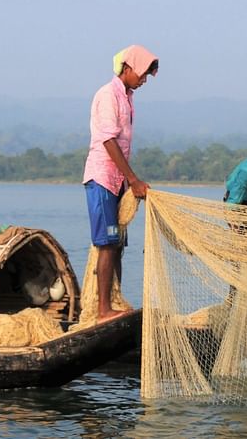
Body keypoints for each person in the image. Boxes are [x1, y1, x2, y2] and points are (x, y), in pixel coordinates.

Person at [82, 45, 158, 322]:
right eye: (142, 73)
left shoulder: (127, 97)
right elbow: (108, 140)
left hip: (118, 182)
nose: (144, 80)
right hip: (102, 178)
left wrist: (128, 182)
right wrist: (133, 179)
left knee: (119, 243)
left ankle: (114, 300)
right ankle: (103, 310)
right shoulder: (108, 95)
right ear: (127, 68)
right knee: (107, 242)